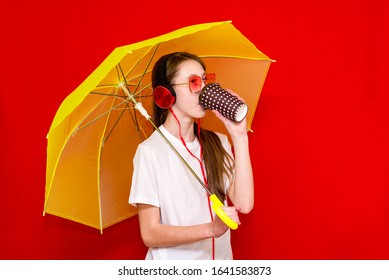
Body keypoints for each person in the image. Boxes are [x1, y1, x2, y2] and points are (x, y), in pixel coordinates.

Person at [129, 52, 254, 260]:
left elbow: (245, 204)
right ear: (166, 94)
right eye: (194, 82)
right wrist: (210, 229)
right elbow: (149, 233)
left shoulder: (219, 142)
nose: (204, 89)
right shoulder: (150, 152)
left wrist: (239, 135)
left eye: (205, 80)